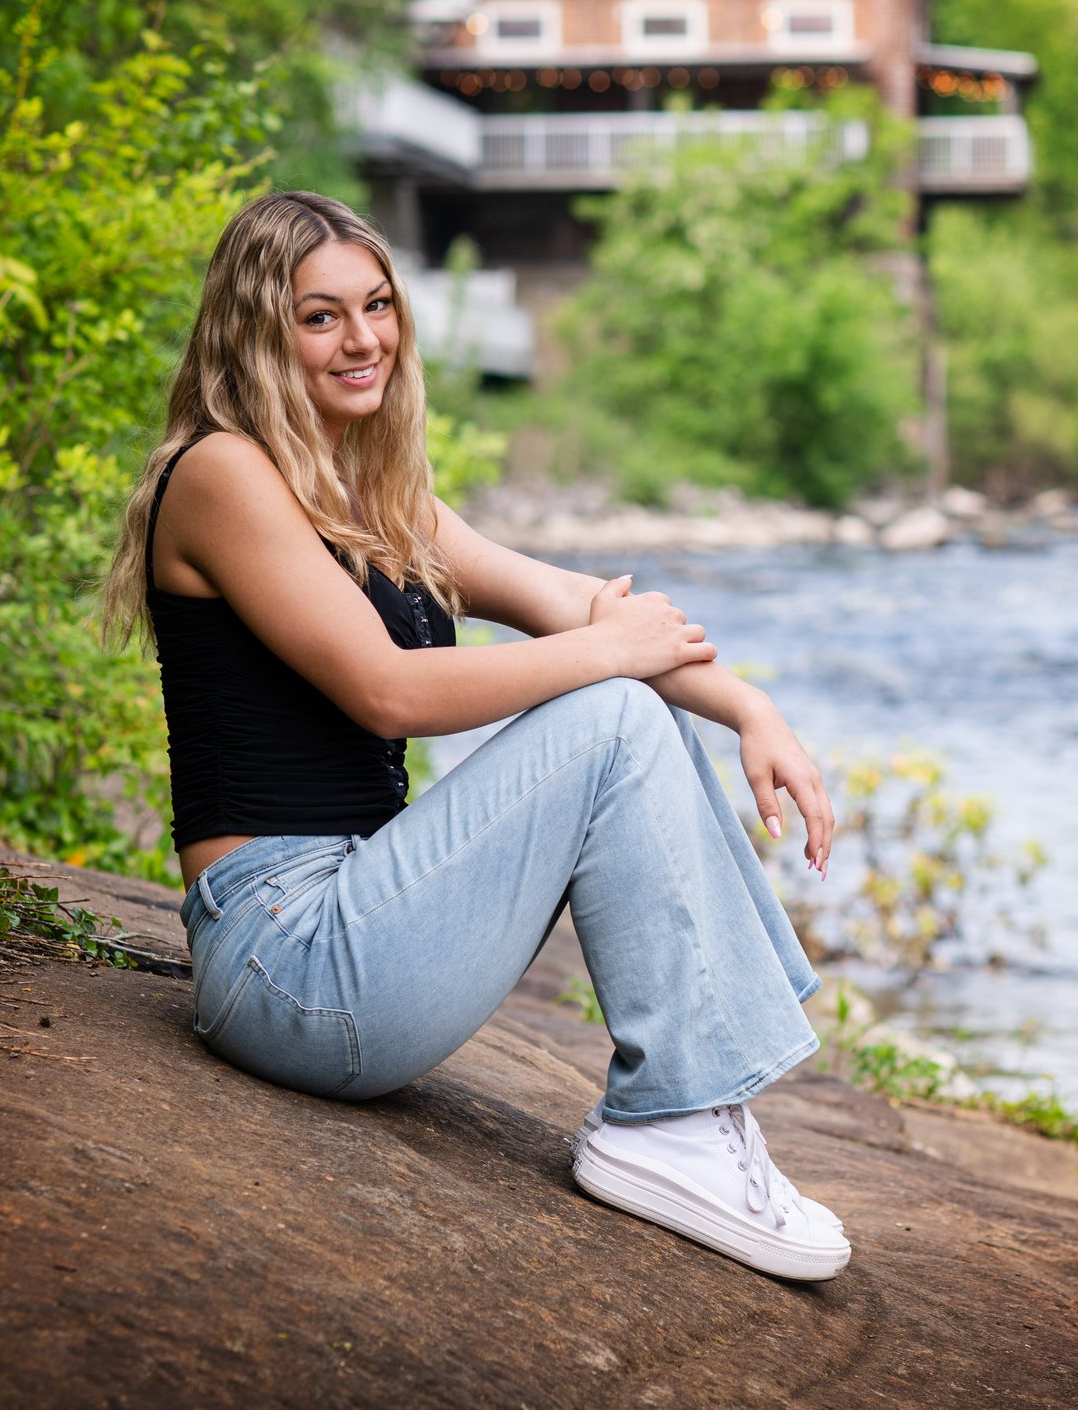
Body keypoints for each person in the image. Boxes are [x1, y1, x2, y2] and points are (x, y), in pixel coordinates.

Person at [99, 191, 853, 1282]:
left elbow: (582, 605)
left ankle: (697, 1104)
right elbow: (388, 692)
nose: (363, 339)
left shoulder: (371, 487)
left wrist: (751, 709)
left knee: (622, 700)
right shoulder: (221, 475)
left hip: (366, 916)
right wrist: (613, 654)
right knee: (610, 710)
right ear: (254, 334)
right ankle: (674, 1120)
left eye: (377, 305)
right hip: (286, 954)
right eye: (319, 317)